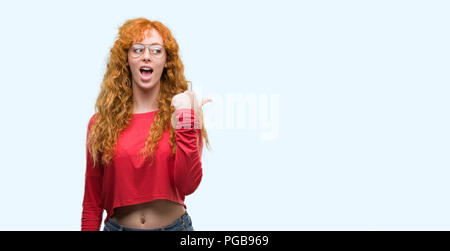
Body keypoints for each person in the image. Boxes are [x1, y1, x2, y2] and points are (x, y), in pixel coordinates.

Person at [81, 17, 212, 231]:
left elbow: (188, 185)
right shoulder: (100, 124)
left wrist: (186, 120)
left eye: (156, 50)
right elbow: (92, 200)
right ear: (126, 59)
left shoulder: (184, 114)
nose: (147, 57)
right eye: (138, 50)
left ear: (167, 60)